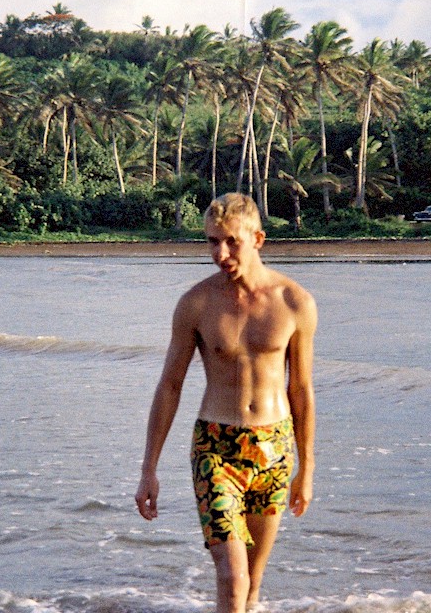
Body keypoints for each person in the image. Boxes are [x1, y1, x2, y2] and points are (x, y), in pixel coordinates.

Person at [135, 193, 317, 613]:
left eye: (231, 241)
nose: (220, 252)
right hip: (216, 449)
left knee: (251, 587)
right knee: (232, 578)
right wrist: (149, 469)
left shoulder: (295, 303)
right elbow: (169, 386)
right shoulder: (196, 304)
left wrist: (306, 468)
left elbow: (301, 390)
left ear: (258, 239)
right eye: (212, 241)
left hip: (274, 449)